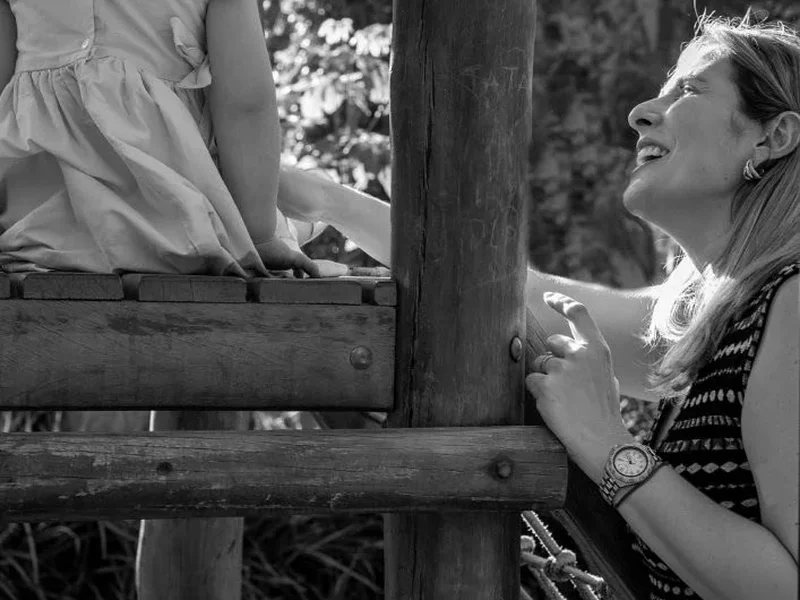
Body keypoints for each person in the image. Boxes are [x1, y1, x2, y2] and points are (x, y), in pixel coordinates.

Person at [285, 12, 799, 600]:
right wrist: (327, 201)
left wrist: (608, 443)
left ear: (773, 137)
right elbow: (507, 290)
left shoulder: (792, 302)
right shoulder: (719, 320)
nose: (640, 112)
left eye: (689, 89)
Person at [0, 0, 337, 278]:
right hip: (178, 227)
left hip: (33, 230)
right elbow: (245, 105)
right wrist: (259, 237)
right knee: (285, 216)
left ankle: (321, 204)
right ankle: (323, 206)